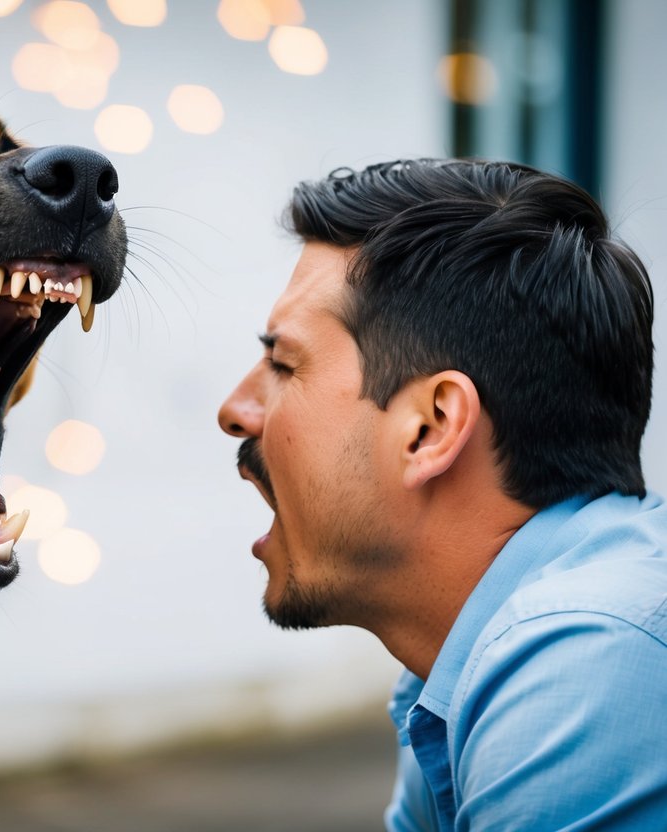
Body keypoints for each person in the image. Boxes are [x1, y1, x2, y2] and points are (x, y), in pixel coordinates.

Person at [217, 158, 667, 830]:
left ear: (429, 428)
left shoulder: (583, 661)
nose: (235, 410)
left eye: (284, 364)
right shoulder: (455, 667)